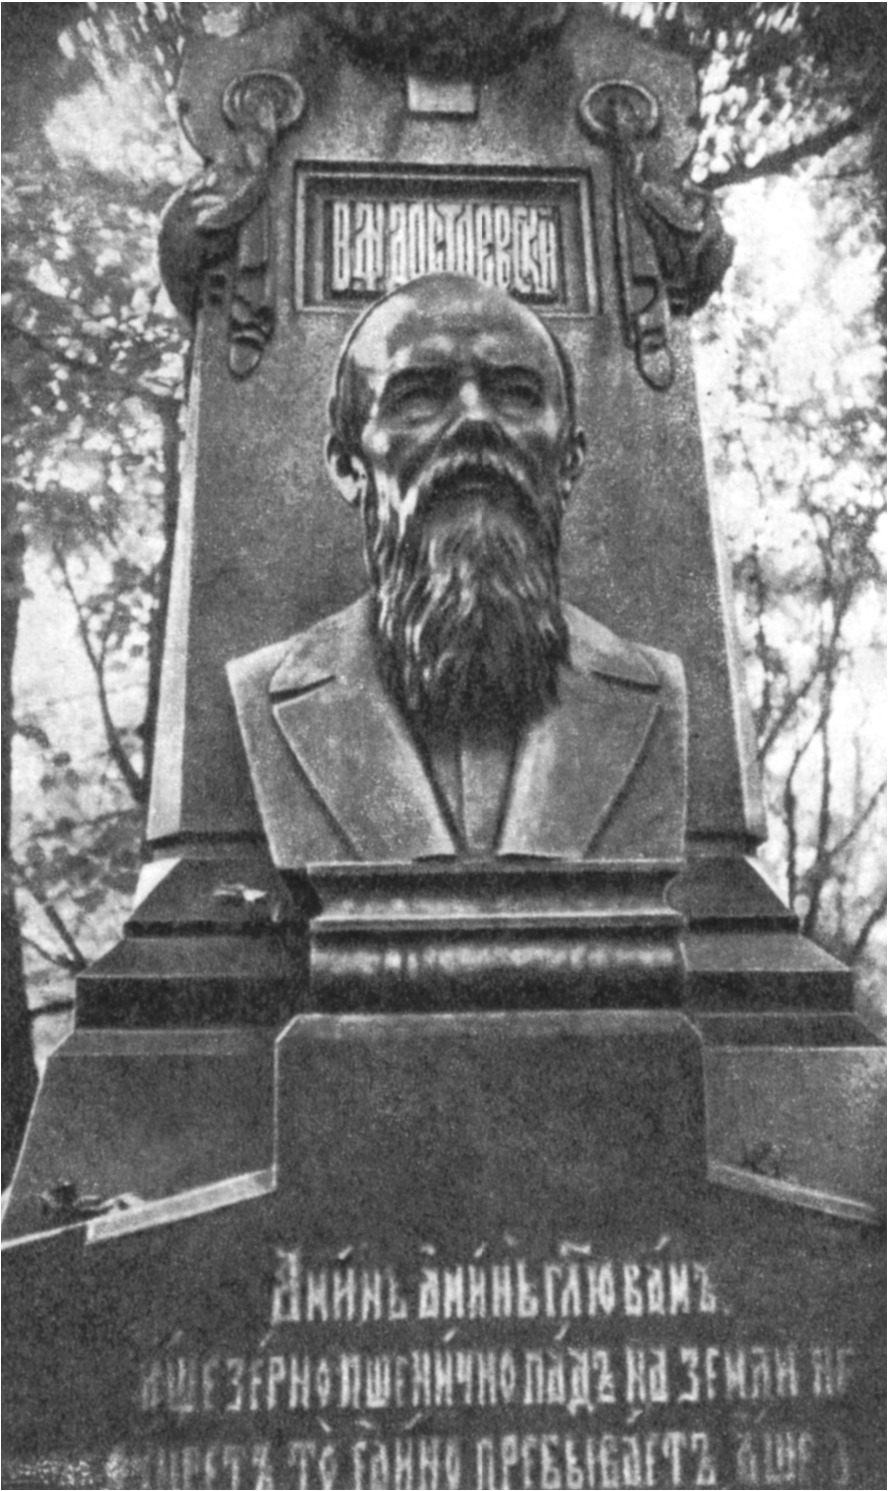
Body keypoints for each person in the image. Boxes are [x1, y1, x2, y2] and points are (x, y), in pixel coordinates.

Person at [228, 273, 686, 865]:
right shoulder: (262, 692)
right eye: (418, 395)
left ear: (568, 463)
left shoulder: (656, 689)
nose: (475, 421)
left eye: (516, 393)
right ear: (348, 466)